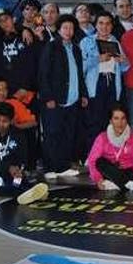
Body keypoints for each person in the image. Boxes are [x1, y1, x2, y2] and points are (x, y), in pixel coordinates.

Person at [38, 14, 88, 179]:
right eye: (65, 28)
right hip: (54, 100)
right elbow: (43, 74)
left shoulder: (76, 48)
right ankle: (50, 168)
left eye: (71, 28)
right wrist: (48, 97)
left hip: (73, 99)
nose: (68, 31)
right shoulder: (51, 47)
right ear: (59, 30)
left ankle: (63, 165)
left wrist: (83, 94)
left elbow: (80, 74)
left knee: (67, 134)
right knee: (52, 133)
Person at [0, 102, 49, 205]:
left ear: (11, 121)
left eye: (5, 121)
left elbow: (22, 157)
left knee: (18, 181)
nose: (1, 124)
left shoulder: (18, 134)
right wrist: (8, 167)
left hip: (9, 173)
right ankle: (26, 192)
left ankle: (27, 191)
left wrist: (18, 169)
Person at [81, 11, 129, 145]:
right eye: (101, 23)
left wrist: (123, 61)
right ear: (95, 25)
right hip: (95, 84)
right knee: (94, 121)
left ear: (112, 26)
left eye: (108, 24)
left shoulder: (115, 42)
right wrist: (97, 59)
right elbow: (81, 66)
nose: (104, 27)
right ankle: (91, 155)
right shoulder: (86, 41)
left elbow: (125, 68)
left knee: (110, 120)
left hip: (113, 83)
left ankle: (108, 153)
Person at [86, 104, 133, 192]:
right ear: (111, 121)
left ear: (127, 120)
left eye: (123, 118)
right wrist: (98, 179)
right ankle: (128, 184)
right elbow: (92, 161)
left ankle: (117, 184)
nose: (120, 123)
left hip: (128, 170)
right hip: (110, 171)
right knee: (100, 162)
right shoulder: (102, 137)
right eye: (116, 118)